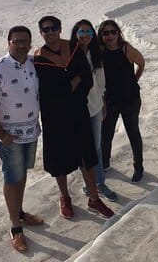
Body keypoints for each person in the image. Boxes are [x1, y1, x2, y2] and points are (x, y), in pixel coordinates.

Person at [31, 15, 114, 219]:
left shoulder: (74, 49)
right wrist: (71, 82)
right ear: (41, 33)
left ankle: (94, 198)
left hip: (78, 111)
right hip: (54, 116)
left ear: (60, 29)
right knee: (59, 158)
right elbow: (45, 89)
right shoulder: (39, 59)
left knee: (87, 155)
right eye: (46, 29)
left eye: (53, 28)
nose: (50, 32)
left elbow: (86, 76)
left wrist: (69, 85)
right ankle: (65, 197)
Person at [0, 25, 43, 253]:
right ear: (9, 43)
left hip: (31, 132)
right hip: (10, 137)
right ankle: (16, 227)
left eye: (26, 41)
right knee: (12, 177)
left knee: (22, 174)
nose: (22, 45)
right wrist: (3, 135)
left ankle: (20, 212)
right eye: (17, 41)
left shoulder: (32, 64)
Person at [69, 20, 119, 202]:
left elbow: (100, 81)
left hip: (95, 106)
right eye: (81, 32)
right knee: (83, 149)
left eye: (88, 32)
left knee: (96, 147)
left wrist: (103, 102)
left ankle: (99, 183)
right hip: (77, 109)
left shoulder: (95, 53)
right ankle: (89, 184)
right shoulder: (69, 54)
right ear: (75, 33)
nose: (85, 35)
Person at [98, 19, 146, 182]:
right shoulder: (100, 52)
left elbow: (141, 63)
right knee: (106, 134)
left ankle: (138, 167)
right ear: (101, 36)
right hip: (110, 100)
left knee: (133, 132)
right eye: (106, 33)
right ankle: (105, 163)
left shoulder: (126, 49)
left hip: (130, 99)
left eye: (113, 32)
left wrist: (133, 81)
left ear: (118, 33)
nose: (110, 36)